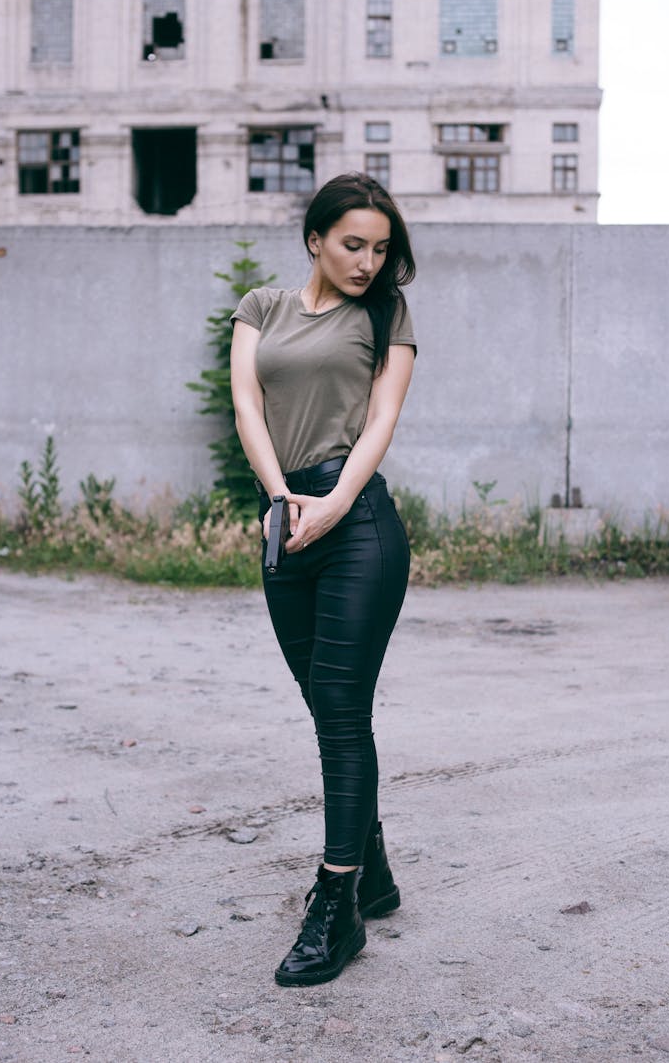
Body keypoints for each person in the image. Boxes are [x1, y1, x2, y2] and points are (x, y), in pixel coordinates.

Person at [230, 171, 417, 987]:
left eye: (380, 248)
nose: (368, 261)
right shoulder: (260, 308)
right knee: (325, 704)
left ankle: (336, 905)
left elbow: (382, 418)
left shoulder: (386, 313)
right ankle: (371, 866)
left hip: (359, 524)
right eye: (353, 244)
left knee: (340, 710)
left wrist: (335, 503)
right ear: (315, 239)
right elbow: (245, 403)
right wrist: (281, 500)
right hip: (288, 523)